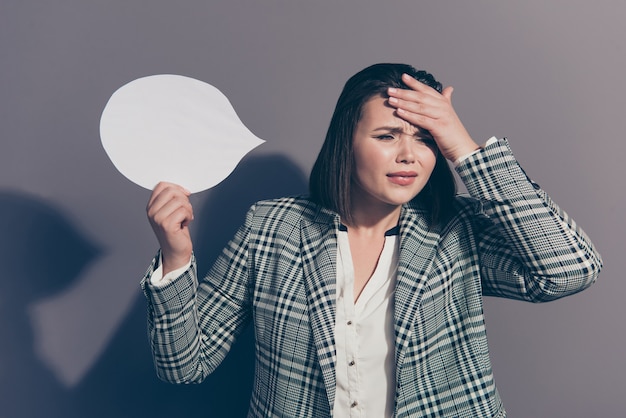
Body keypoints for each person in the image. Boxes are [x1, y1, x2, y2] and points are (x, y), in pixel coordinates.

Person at [141, 63, 602, 417]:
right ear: (348, 140)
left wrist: (462, 144)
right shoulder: (272, 227)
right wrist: (176, 257)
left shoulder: (456, 230)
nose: (408, 155)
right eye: (387, 135)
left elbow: (571, 269)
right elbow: (184, 365)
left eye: (425, 140)